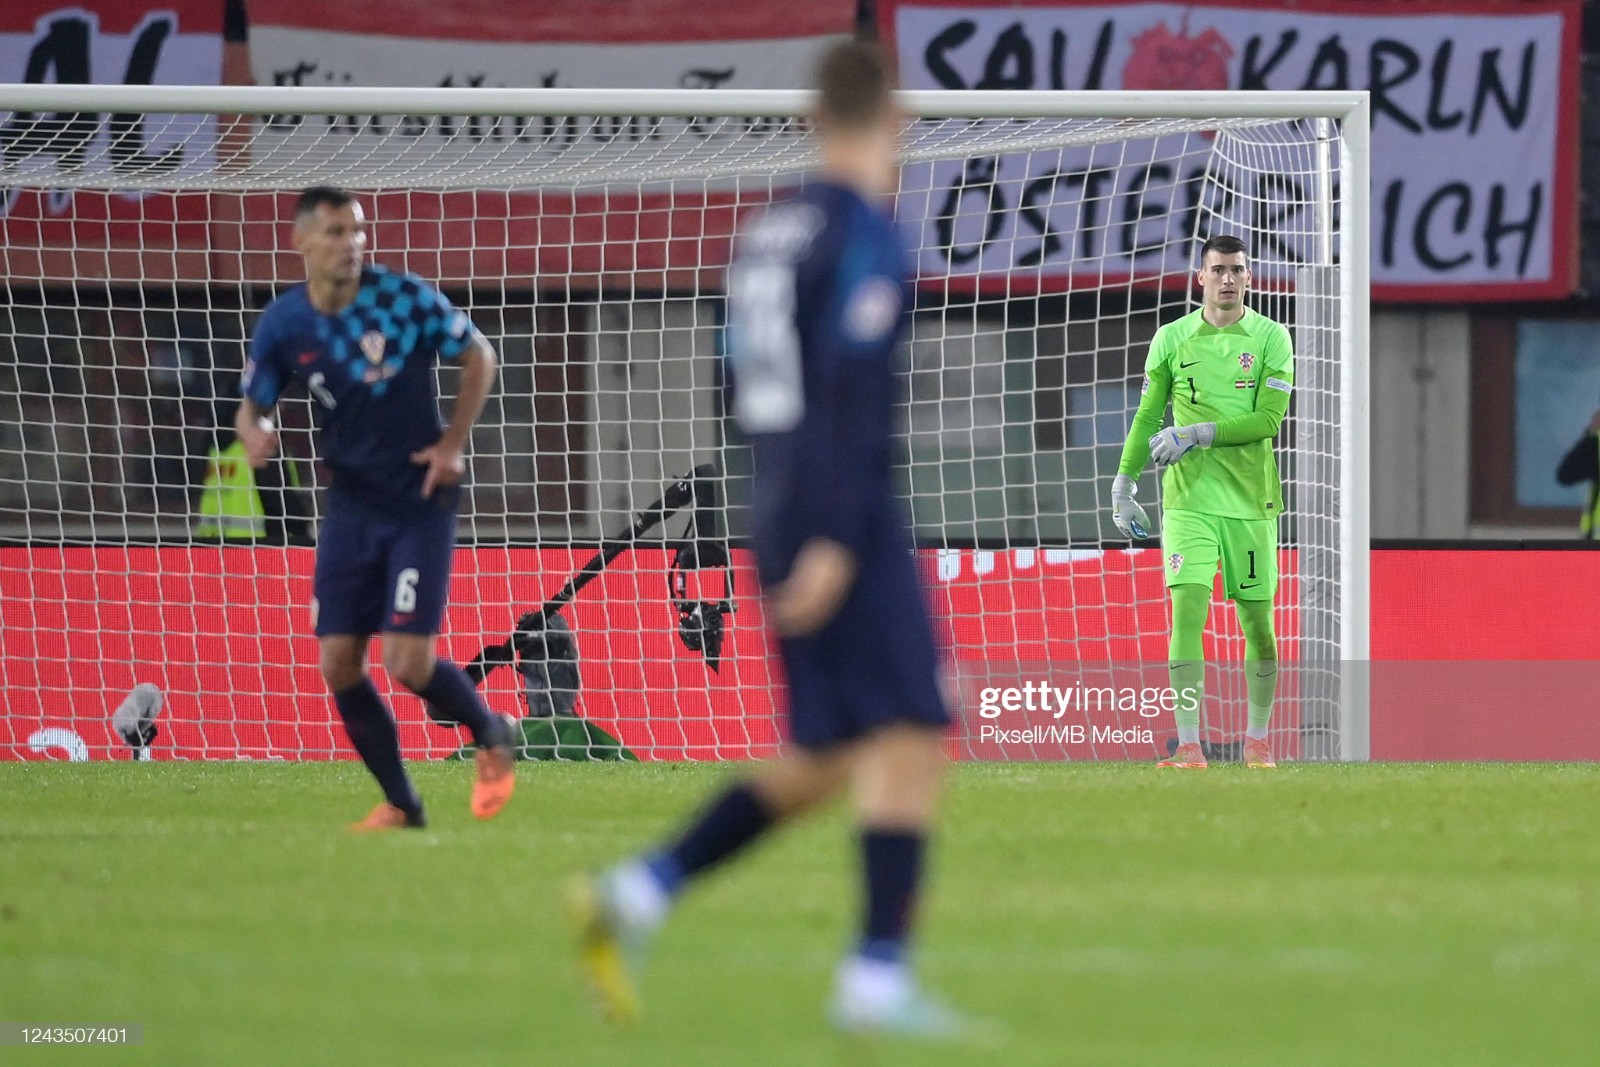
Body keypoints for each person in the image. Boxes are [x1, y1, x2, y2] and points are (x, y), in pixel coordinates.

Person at [571, 40, 975, 1038]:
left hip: (774, 494)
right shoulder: (863, 235)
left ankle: (636, 891)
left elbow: (737, 384)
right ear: (897, 119)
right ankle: (876, 979)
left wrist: (788, 511)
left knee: (834, 744)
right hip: (844, 505)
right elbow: (852, 387)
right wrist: (837, 532)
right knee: (918, 725)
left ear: (808, 118)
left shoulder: (766, 231)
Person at [236, 185, 515, 829]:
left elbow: (479, 355)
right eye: (336, 232)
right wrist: (254, 428)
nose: (352, 244)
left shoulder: (401, 298)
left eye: (358, 231)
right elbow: (255, 400)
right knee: (338, 661)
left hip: (419, 499)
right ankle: (402, 803)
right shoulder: (286, 322)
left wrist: (451, 444)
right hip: (351, 506)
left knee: (406, 662)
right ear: (301, 241)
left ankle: (490, 731)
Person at [1109, 234, 1294, 770]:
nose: (1228, 279)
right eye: (1218, 270)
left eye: (1237, 269)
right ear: (1201, 277)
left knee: (1258, 625)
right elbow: (1148, 417)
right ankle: (1189, 745)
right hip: (1187, 500)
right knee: (1186, 611)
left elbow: (1268, 421)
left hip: (1250, 502)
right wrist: (1124, 486)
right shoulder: (1171, 338)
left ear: (1250, 277)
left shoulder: (1270, 338)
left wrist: (1197, 433)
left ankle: (1257, 741)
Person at [1555, 408, 1600, 538]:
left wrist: (1591, 436)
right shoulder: (1594, 446)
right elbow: (1566, 475)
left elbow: (1566, 475)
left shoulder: (1595, 445)